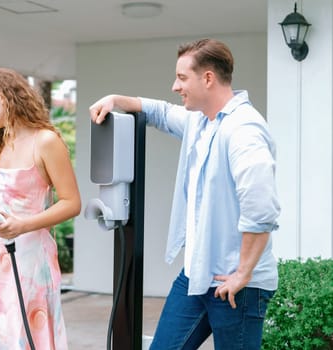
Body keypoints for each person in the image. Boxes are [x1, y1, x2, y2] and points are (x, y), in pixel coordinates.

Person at [89, 38, 280, 350]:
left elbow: (261, 210)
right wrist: (114, 99)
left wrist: (242, 274)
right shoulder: (200, 121)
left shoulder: (244, 130)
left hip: (235, 287)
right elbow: (161, 112)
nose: (175, 86)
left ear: (207, 78)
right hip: (196, 274)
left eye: (181, 77)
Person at [0, 68, 81, 350]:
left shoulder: (46, 141)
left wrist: (24, 225)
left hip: (30, 260)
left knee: (23, 334)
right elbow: (3, 199)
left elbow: (72, 203)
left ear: (3, 97)